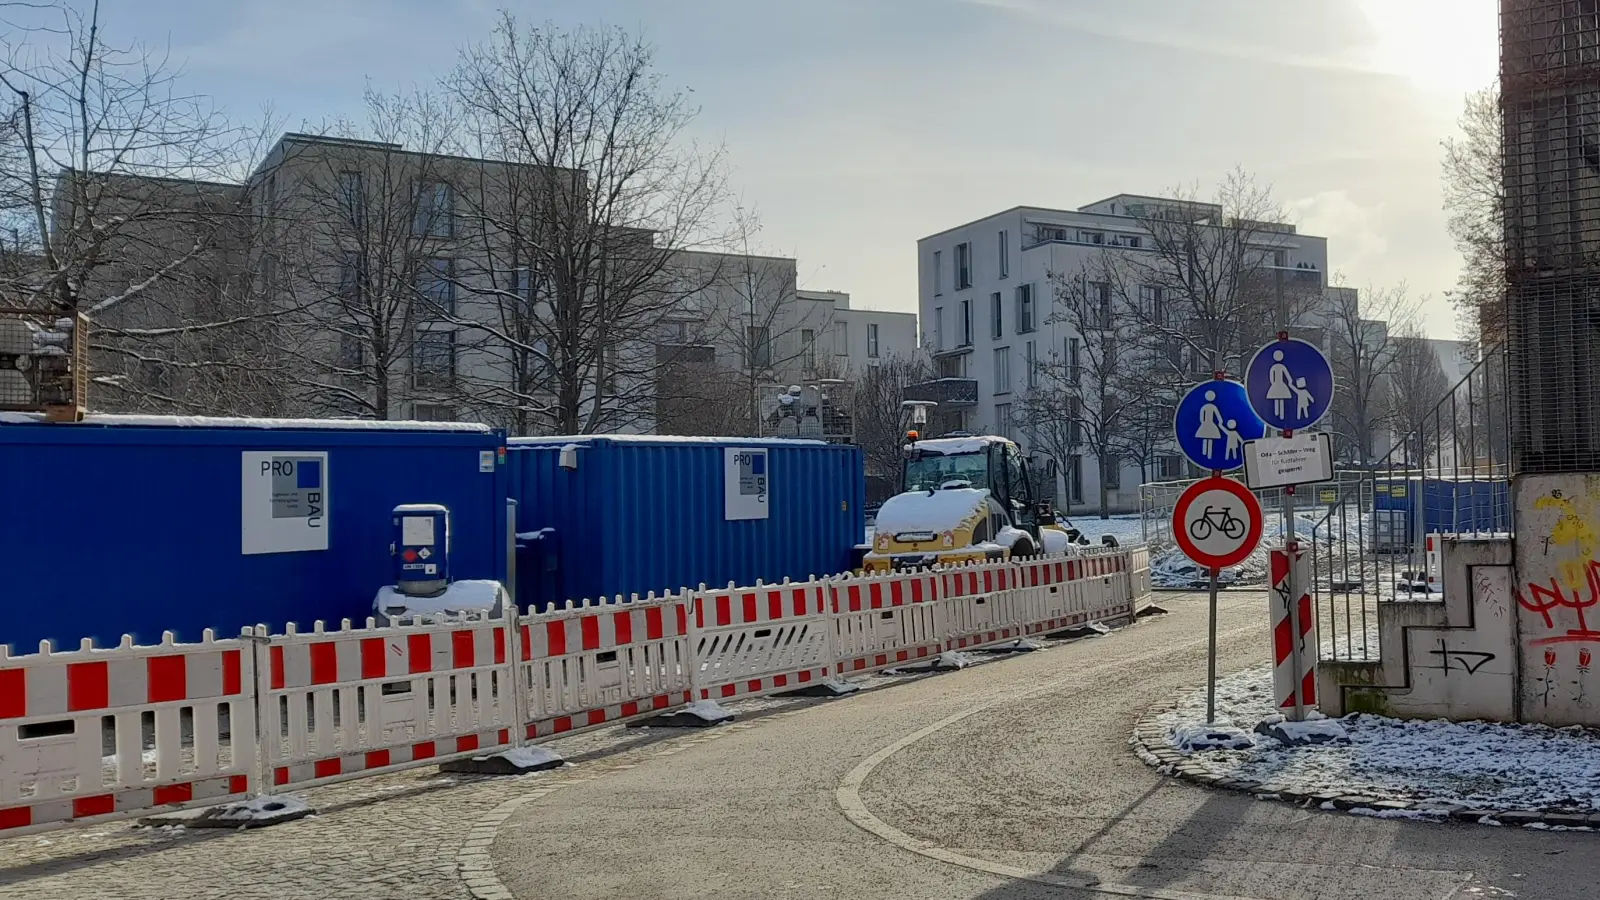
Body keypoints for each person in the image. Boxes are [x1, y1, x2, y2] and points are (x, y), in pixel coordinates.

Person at [1266, 349, 1293, 419]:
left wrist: (1273, 383)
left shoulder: (1274, 367)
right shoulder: (1281, 367)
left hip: (1276, 384)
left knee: (1278, 398)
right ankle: (1279, 414)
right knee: (1280, 398)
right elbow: (1287, 375)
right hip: (1280, 384)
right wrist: (1290, 381)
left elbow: (1271, 376)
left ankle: (1278, 413)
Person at [1196, 390, 1223, 456]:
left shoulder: (1204, 407)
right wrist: (1220, 421)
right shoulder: (1213, 407)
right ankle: (1208, 454)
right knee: (1210, 438)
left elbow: (1201, 416)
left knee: (1206, 437)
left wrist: (1202, 422)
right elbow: (1218, 415)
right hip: (1210, 423)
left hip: (1206, 423)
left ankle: (1205, 453)